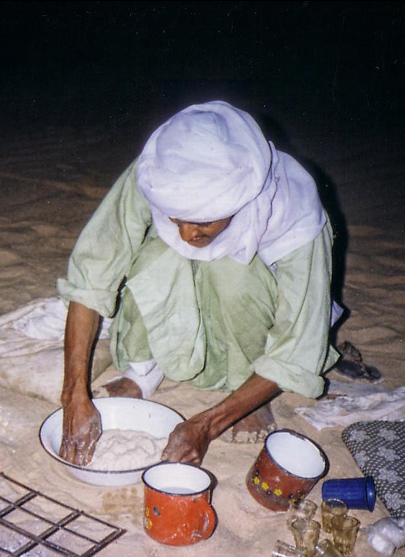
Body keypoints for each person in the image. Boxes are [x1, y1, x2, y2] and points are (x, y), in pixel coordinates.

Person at [57, 101, 341, 466]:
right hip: (184, 288)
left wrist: (206, 426)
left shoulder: (293, 206)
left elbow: (298, 344)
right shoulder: (160, 173)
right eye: (176, 218)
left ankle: (246, 390)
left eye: (203, 223)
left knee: (233, 273)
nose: (188, 234)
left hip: (253, 304)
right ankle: (145, 370)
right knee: (159, 254)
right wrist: (73, 395)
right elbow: (92, 273)